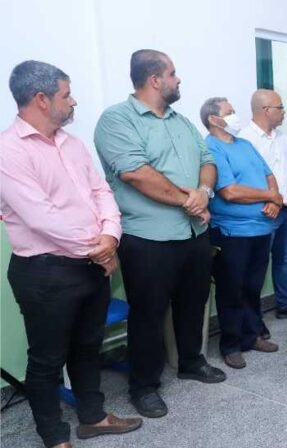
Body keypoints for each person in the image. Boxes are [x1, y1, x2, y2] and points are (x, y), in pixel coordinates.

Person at [1, 60, 142, 448]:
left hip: (93, 263)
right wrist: (98, 249)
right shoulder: (7, 150)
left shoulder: (73, 143)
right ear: (41, 99)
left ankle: (94, 418)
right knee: (47, 359)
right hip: (45, 271)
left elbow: (101, 192)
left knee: (86, 346)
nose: (73, 101)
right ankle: (54, 438)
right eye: (67, 94)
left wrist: (110, 235)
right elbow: (40, 217)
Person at [94, 49, 226, 419]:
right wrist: (190, 200)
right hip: (147, 237)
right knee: (149, 315)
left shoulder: (181, 121)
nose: (178, 79)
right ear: (154, 79)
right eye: (173, 73)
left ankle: (191, 362)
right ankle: (144, 386)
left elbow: (208, 160)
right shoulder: (116, 120)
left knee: (193, 302)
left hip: (194, 232)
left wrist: (204, 192)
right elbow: (136, 173)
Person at [200, 97, 282, 369]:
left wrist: (273, 200)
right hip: (231, 233)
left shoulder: (245, 145)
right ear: (214, 119)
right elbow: (230, 192)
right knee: (231, 289)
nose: (235, 116)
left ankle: (252, 335)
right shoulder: (210, 147)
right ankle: (231, 345)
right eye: (229, 112)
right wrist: (270, 196)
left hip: (260, 229)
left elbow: (269, 174)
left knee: (252, 287)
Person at [239, 89, 287, 320]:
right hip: (262, 212)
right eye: (280, 107)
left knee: (283, 259)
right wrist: (272, 199)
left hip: (286, 211)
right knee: (257, 266)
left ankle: (284, 304)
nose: (284, 112)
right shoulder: (245, 140)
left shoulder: (282, 137)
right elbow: (247, 180)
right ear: (266, 110)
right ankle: (252, 317)